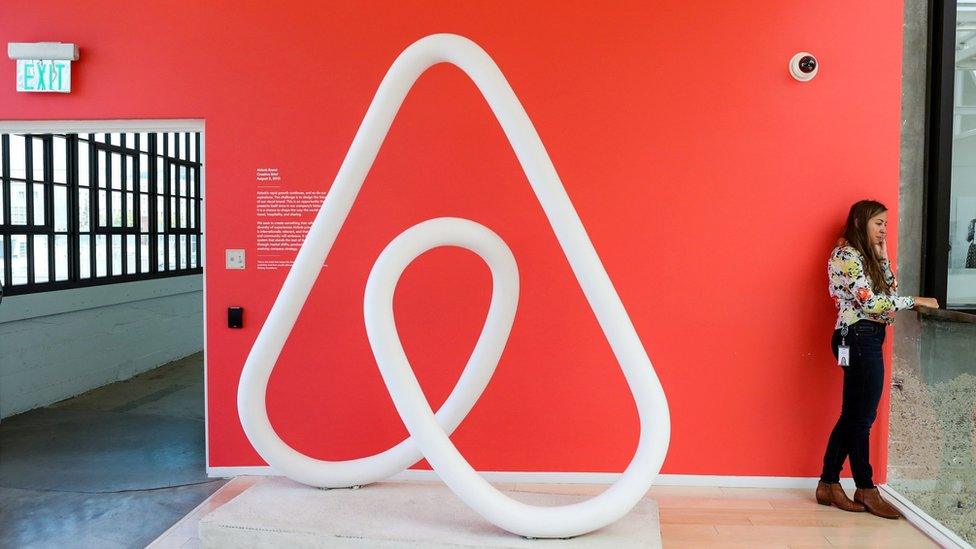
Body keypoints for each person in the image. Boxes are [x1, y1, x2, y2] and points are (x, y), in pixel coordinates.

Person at [816, 200, 939, 519]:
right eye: (878, 223)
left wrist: (883, 255)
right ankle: (866, 487)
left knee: (853, 415)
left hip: (865, 337)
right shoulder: (846, 255)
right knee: (861, 417)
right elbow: (870, 304)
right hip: (857, 336)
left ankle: (829, 484)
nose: (884, 228)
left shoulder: (865, 256)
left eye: (886, 223)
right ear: (859, 221)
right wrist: (914, 301)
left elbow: (889, 288)